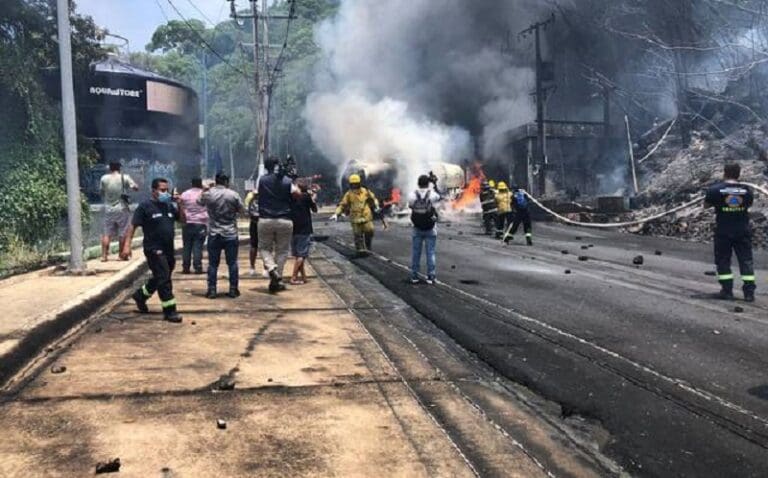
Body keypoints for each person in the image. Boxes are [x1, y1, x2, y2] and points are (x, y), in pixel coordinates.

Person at [121, 178, 183, 323]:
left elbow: (183, 220)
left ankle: (140, 296)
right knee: (164, 278)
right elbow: (132, 226)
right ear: (153, 190)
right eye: (162, 190)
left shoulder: (169, 206)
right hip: (154, 248)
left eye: (167, 190)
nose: (165, 193)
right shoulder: (145, 207)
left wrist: (181, 204)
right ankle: (170, 311)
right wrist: (126, 245)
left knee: (161, 276)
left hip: (168, 249)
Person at [704, 163, 756, 302]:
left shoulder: (714, 190)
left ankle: (727, 291)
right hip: (742, 230)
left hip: (724, 230)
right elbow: (748, 204)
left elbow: (706, 205)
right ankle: (749, 293)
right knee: (746, 260)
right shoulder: (747, 190)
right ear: (738, 174)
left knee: (723, 260)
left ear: (724, 173)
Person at [258, 157, 302, 293]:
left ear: (266, 167)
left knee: (265, 248)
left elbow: (257, 193)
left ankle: (271, 269)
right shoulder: (287, 181)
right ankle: (278, 279)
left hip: (266, 220)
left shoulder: (262, 180)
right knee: (282, 251)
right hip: (285, 219)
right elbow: (298, 194)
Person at [199, 173, 244, 299]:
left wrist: (206, 189)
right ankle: (233, 289)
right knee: (232, 263)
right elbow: (242, 210)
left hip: (214, 233)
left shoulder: (209, 194)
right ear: (226, 181)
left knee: (213, 264)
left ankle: (212, 290)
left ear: (216, 181)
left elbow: (199, 202)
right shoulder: (233, 194)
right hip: (230, 233)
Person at [331, 174, 381, 255]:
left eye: (356, 184)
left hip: (366, 216)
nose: (354, 185)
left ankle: (368, 247)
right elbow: (343, 205)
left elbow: (373, 199)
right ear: (350, 184)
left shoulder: (365, 191)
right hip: (355, 218)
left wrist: (376, 206)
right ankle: (360, 250)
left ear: (359, 183)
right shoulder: (349, 194)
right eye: (353, 184)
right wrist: (336, 213)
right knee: (357, 235)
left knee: (370, 231)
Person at [99, 161, 138, 261]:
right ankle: (121, 255)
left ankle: (104, 256)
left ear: (110, 168)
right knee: (123, 232)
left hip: (108, 208)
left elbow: (101, 192)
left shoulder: (104, 178)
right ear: (119, 168)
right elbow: (135, 188)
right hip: (122, 208)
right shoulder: (125, 177)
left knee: (106, 233)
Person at [409, 174, 442, 285]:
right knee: (430, 253)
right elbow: (440, 197)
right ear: (428, 183)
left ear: (418, 183)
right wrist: (435, 183)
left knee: (416, 253)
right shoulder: (432, 194)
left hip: (417, 227)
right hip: (430, 228)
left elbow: (410, 206)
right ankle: (431, 277)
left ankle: (414, 276)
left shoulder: (412, 195)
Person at [290, 180, 318, 285]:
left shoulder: (291, 198)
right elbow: (314, 209)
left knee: (298, 256)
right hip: (304, 229)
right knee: (301, 255)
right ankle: (293, 278)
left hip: (293, 229)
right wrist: (313, 198)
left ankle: (304, 277)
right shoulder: (306, 197)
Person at [179, 178, 208, 274]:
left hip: (187, 223)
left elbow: (181, 207)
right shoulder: (203, 194)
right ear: (201, 184)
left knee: (187, 245)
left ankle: (186, 266)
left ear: (191, 184)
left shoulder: (184, 194)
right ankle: (197, 266)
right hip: (201, 223)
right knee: (198, 245)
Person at [244, 187, 261, 277]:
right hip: (259, 223)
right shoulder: (262, 201)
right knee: (259, 247)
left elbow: (248, 213)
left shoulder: (252, 201)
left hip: (255, 223)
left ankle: (253, 267)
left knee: (255, 246)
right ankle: (253, 267)